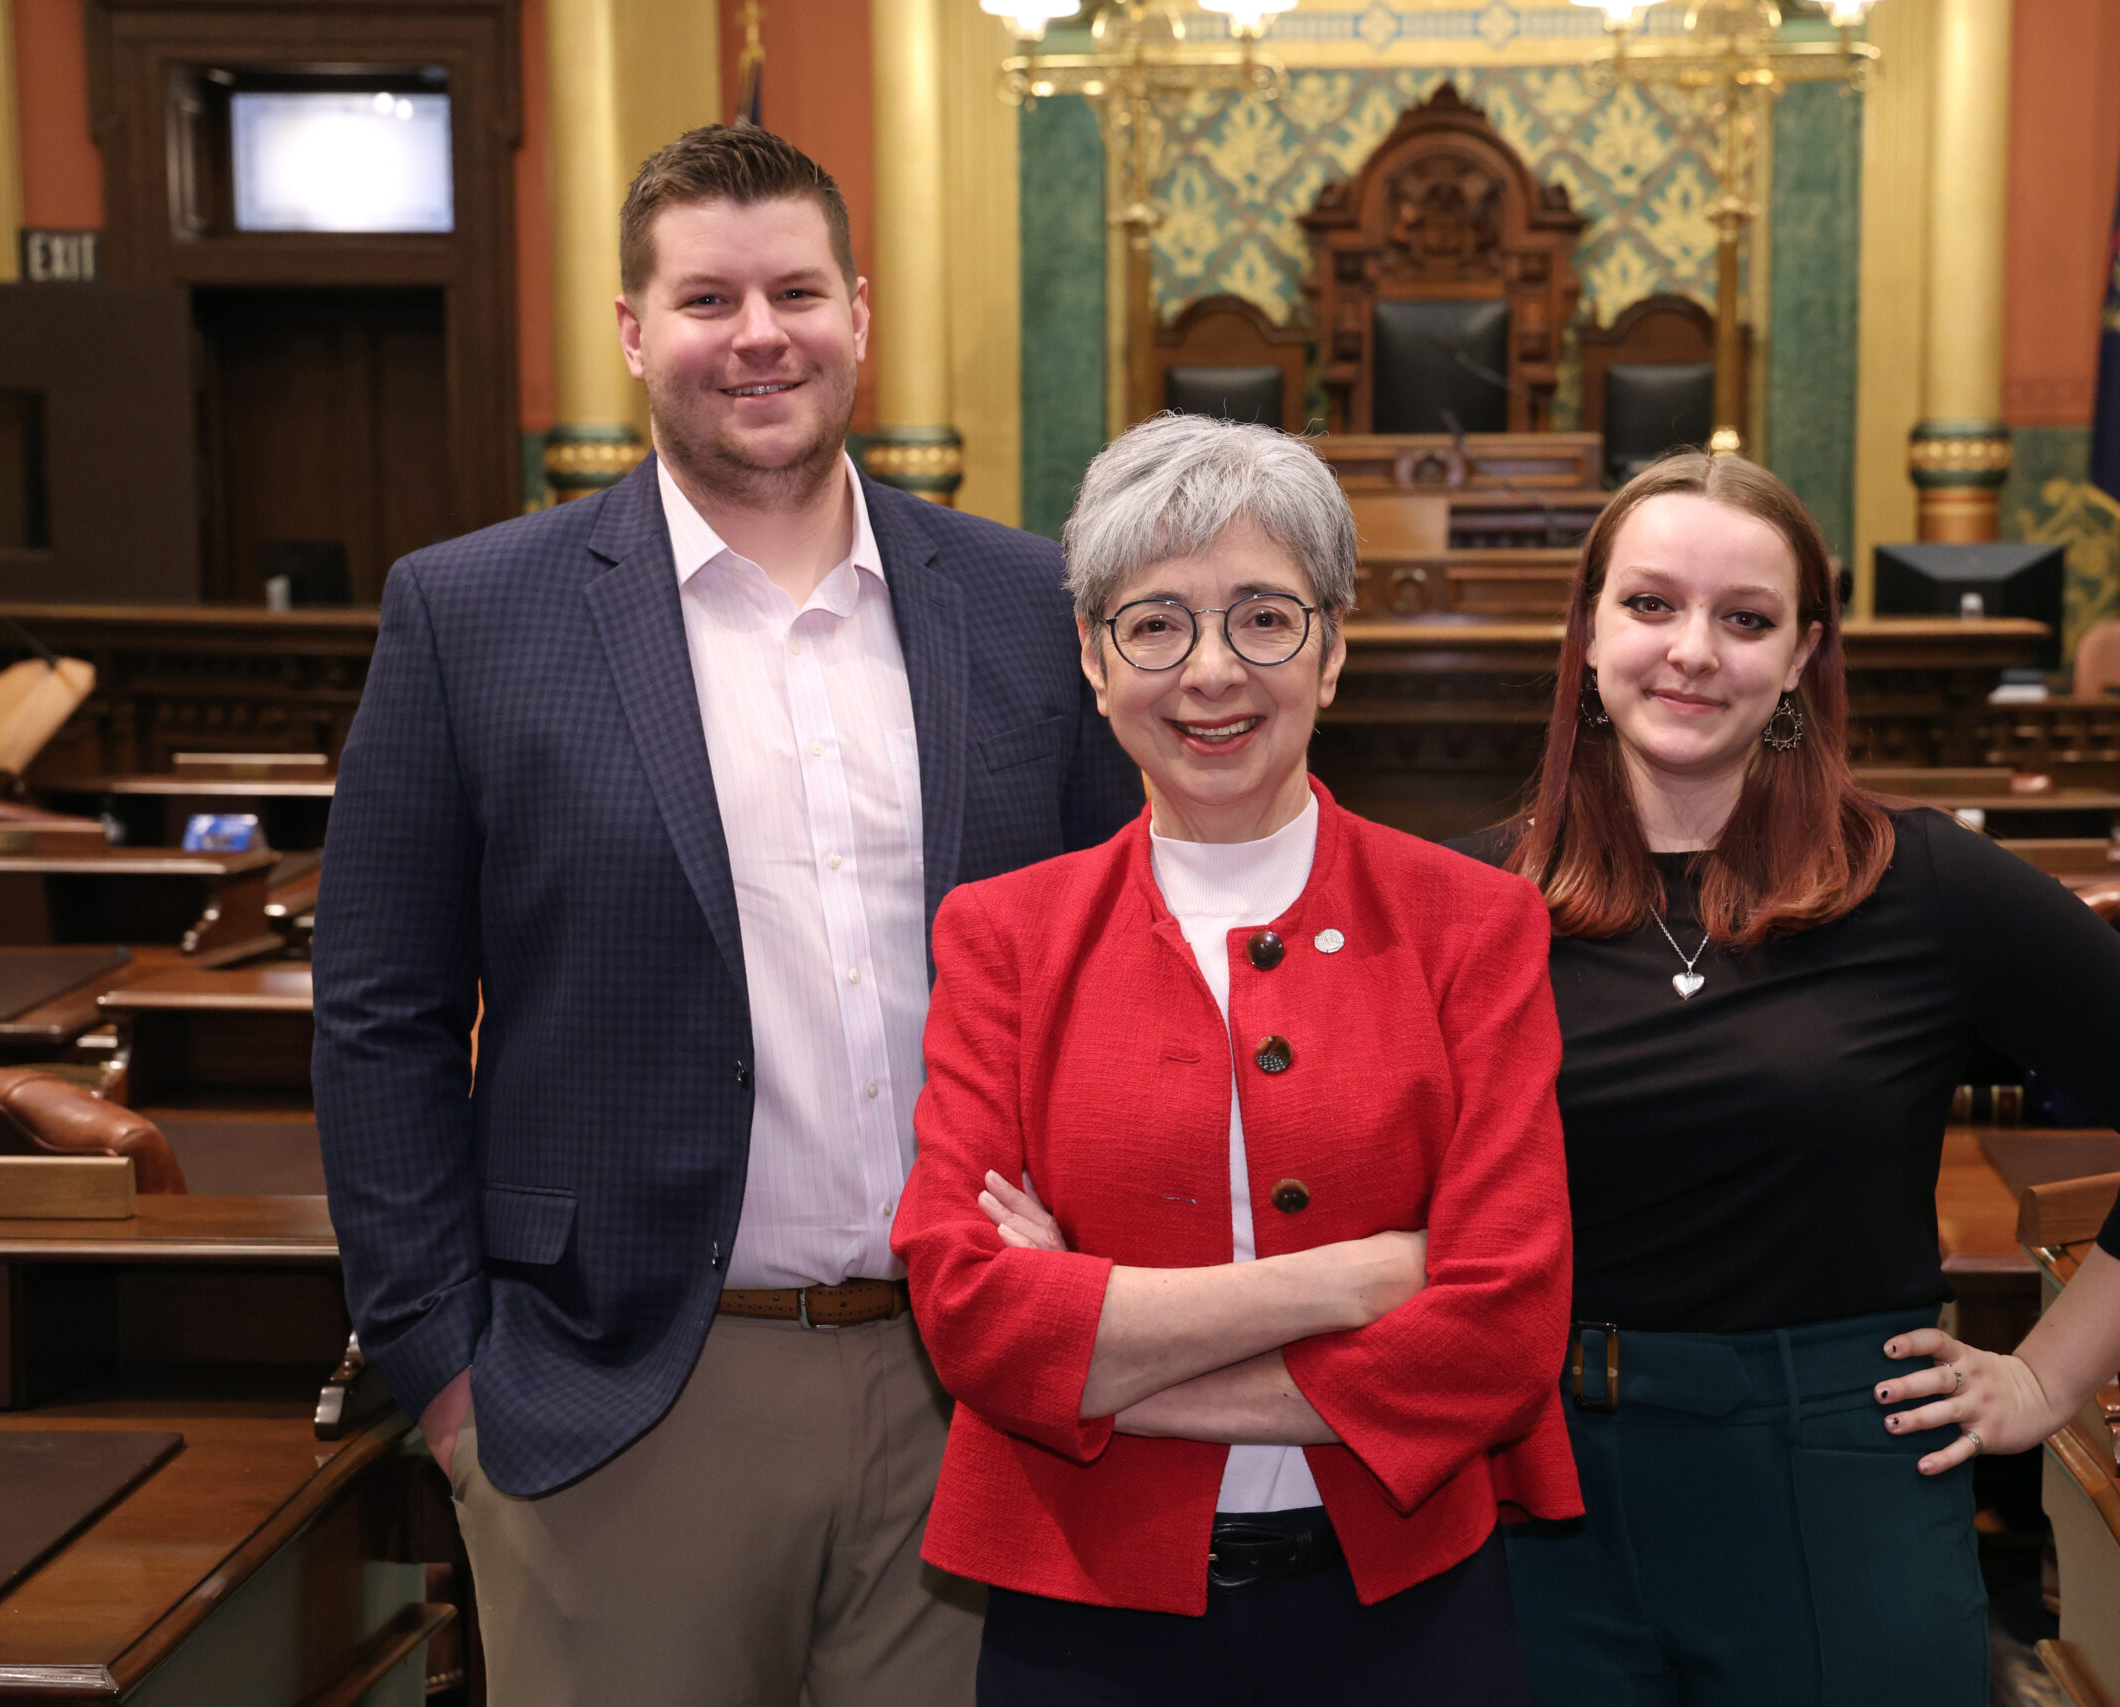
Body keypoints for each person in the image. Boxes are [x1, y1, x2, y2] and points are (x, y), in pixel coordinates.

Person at [312, 124, 1142, 1707]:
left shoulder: (1030, 604)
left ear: (861, 313)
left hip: (977, 1390)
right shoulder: (472, 612)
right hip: (624, 1396)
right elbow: (379, 1009)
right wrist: (448, 1375)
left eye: (796, 291)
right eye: (707, 299)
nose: (759, 335)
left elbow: (1122, 956)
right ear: (633, 331)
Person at [1469, 451, 2120, 1706]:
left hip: (1833, 1472)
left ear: (1799, 657)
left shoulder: (1926, 884)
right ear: (1585, 632)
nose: (1692, 650)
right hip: (1536, 1483)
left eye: (1745, 619)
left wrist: (2047, 1378)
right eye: (1648, 605)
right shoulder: (1469, 906)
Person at [889, 413, 1582, 1707]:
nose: (1211, 670)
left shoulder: (1473, 924)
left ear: (1331, 646)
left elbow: (1503, 1331)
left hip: (1407, 1616)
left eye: (1264, 616)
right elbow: (974, 1315)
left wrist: (1103, 1352)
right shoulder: (1005, 935)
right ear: (1095, 659)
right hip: (1083, 1624)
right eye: (1155, 623)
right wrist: (1361, 1277)